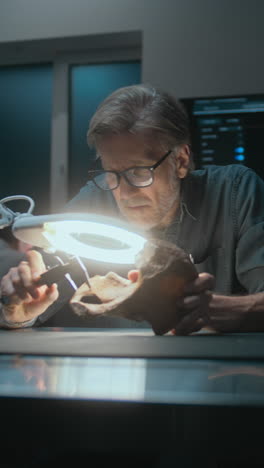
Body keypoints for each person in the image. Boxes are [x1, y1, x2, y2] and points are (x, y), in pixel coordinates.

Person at [1, 83, 264, 334]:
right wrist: (17, 312)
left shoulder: (235, 193)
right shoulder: (94, 202)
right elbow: (36, 286)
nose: (124, 192)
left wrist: (227, 309)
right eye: (112, 174)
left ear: (181, 161)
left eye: (139, 171)